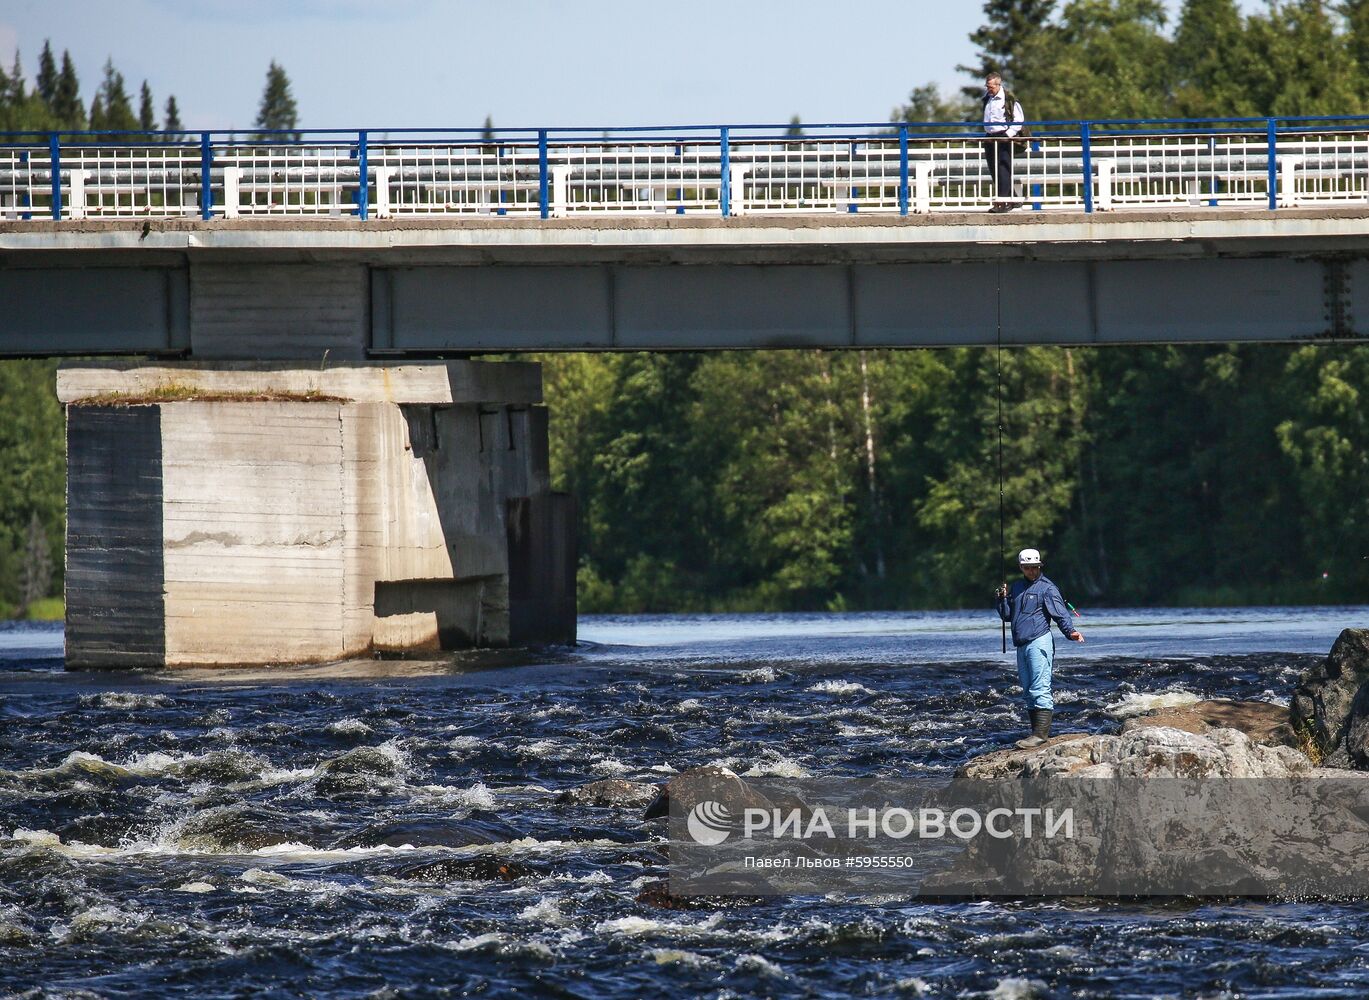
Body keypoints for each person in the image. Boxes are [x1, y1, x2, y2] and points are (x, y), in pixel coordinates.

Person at [995, 548, 1084, 748]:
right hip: (1022, 644)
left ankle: (1040, 736)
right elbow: (1007, 615)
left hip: (1039, 641)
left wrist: (1070, 632)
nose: (1032, 571)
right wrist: (1000, 599)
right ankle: (1035, 733)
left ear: (1039, 566)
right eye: (1028, 568)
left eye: (1035, 567)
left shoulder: (1048, 588)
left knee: (1040, 687)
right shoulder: (1017, 587)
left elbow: (1061, 614)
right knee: (1028, 690)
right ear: (1021, 567)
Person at [981, 72, 1024, 213]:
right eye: (987, 86)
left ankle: (1003, 202)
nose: (989, 89)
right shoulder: (987, 99)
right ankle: (1013, 198)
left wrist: (1008, 134)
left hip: (1003, 136)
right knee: (994, 170)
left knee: (1003, 169)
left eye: (991, 87)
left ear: (998, 84)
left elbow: (1019, 120)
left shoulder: (1009, 99)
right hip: (990, 137)